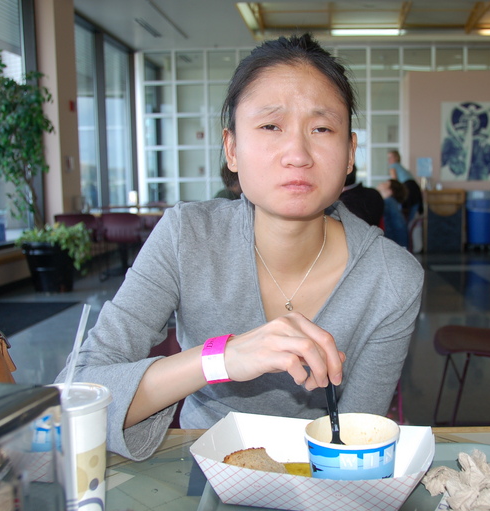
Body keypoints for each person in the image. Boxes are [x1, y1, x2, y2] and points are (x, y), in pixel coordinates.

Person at [56, 34, 424, 461]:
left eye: (321, 129)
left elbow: (357, 442)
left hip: (321, 475)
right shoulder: (186, 236)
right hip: (201, 464)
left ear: (349, 154)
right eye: (271, 126)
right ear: (232, 149)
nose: (297, 154)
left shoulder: (392, 278)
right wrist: (221, 358)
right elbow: (73, 398)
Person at [388, 150, 423, 222]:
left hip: (409, 188)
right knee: (411, 214)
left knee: (405, 215)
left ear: (396, 158)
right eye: (388, 158)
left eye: (391, 157)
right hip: (415, 188)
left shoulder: (393, 166)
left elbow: (394, 183)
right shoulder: (400, 167)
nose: (389, 159)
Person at [377, 179, 410, 248]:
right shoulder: (393, 204)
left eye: (385, 183)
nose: (381, 183)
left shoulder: (388, 203)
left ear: (390, 191)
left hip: (392, 246)